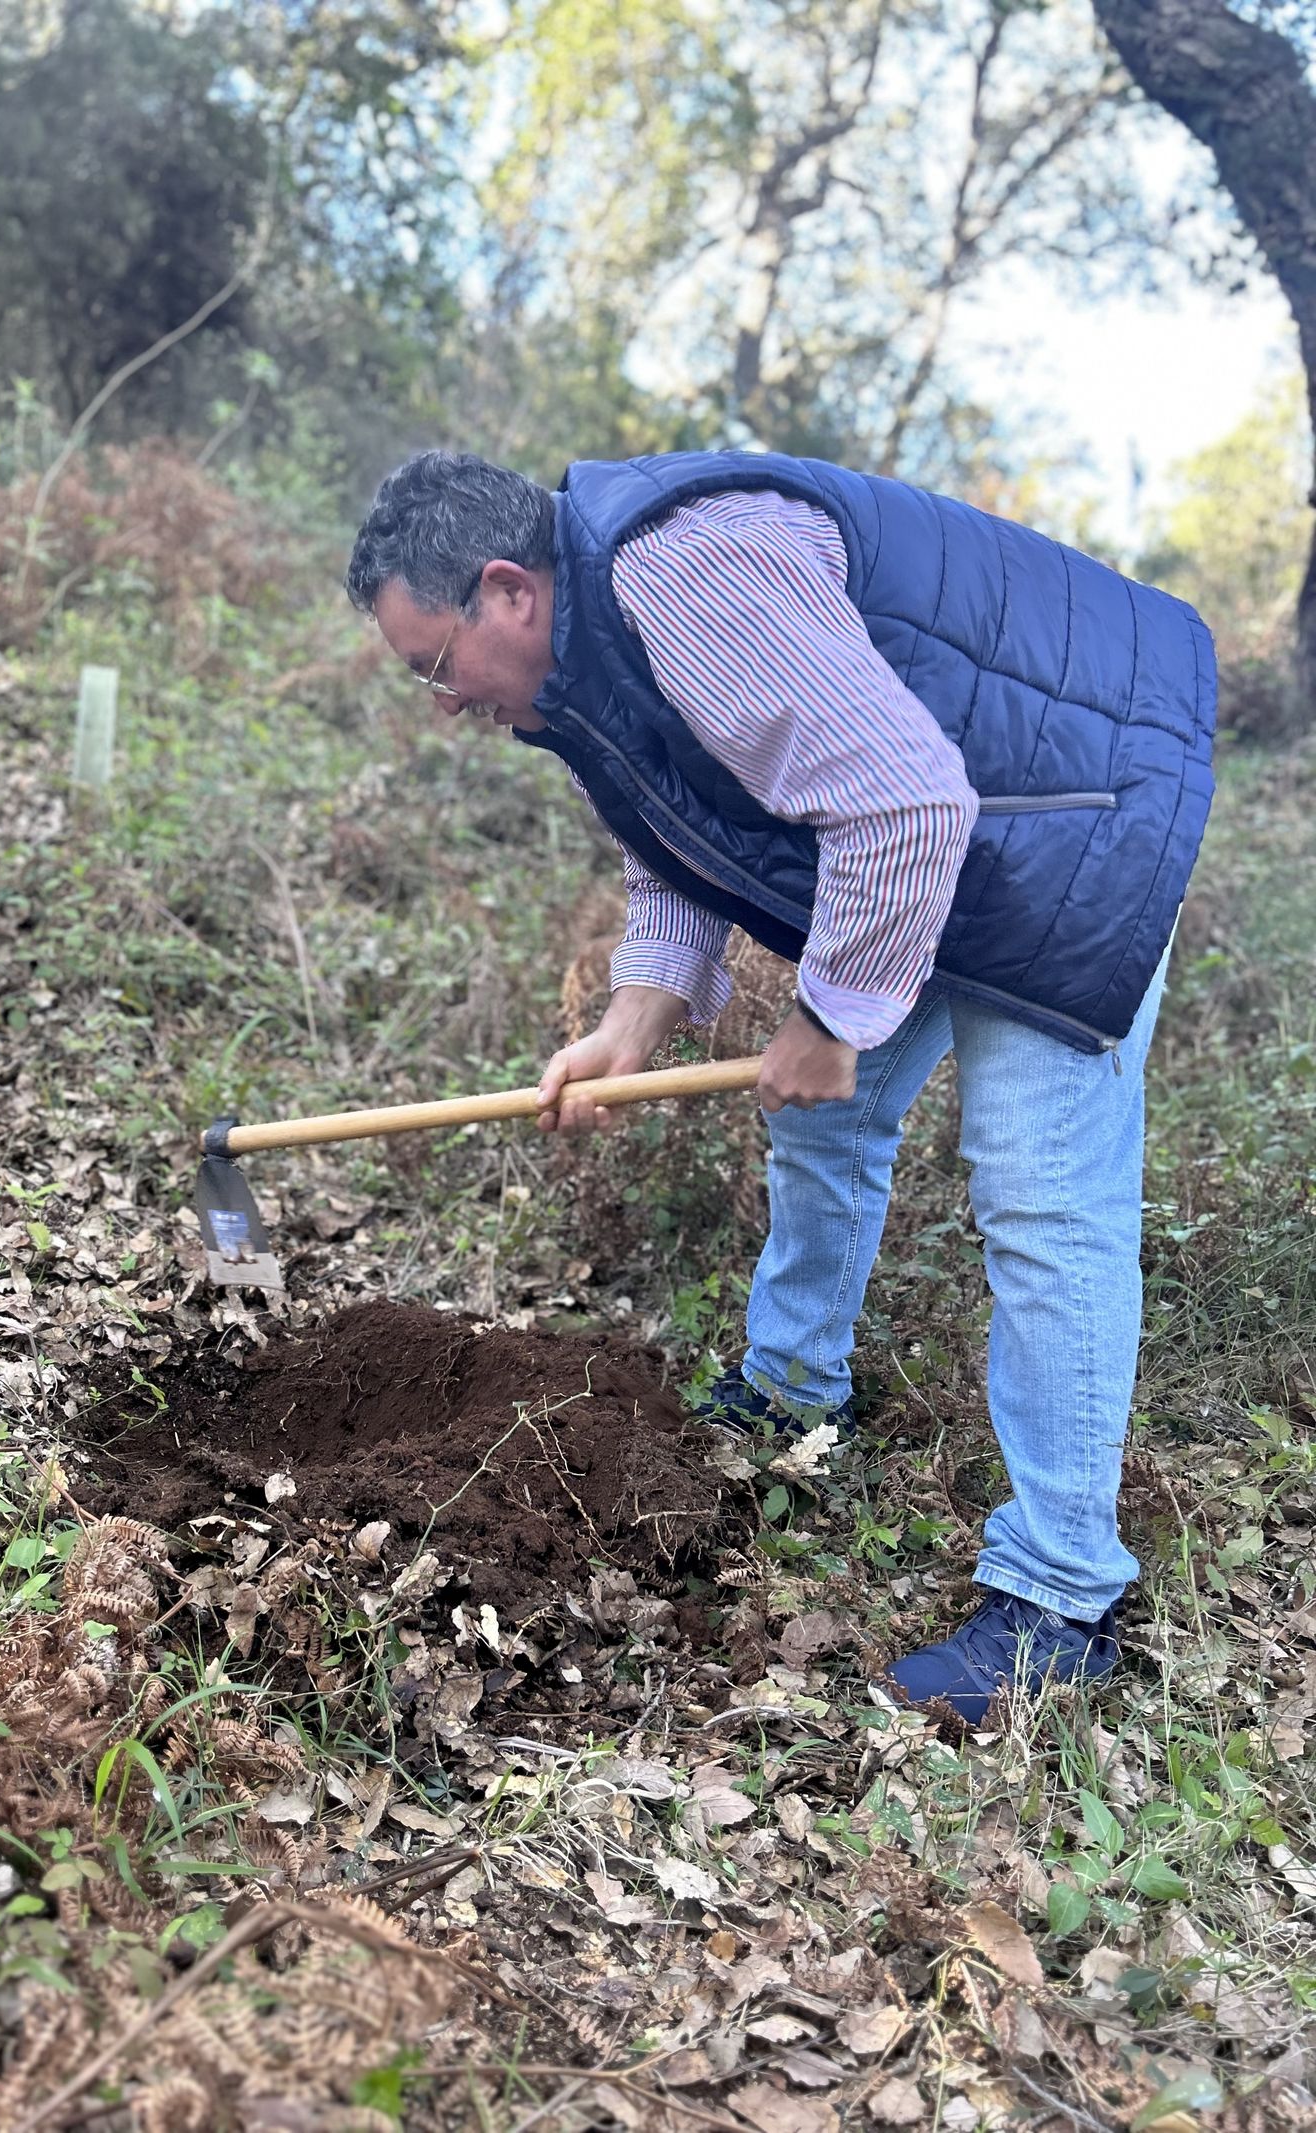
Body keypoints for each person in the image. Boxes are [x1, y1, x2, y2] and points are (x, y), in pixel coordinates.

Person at [344, 448, 1215, 1727]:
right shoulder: (589, 652)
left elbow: (909, 804)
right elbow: (684, 830)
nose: (440, 701)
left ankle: (1061, 1597)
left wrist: (824, 1013)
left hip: (1076, 810)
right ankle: (795, 1386)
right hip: (943, 824)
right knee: (828, 1118)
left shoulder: (686, 574)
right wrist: (631, 1020)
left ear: (506, 592)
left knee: (1042, 1201)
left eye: (433, 664)